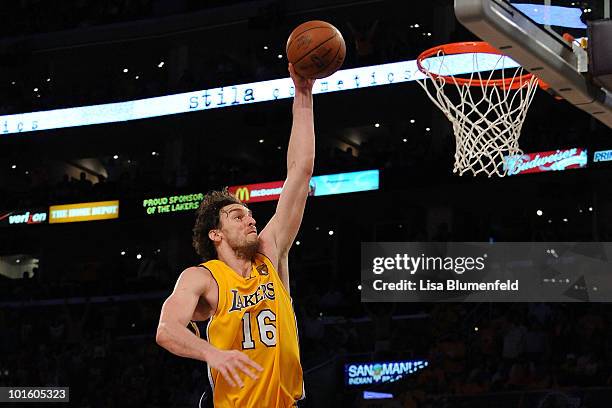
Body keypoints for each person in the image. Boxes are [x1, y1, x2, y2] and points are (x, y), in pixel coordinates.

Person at [156, 63, 315, 407]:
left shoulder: (269, 252)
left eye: (250, 214)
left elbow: (299, 172)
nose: (250, 220)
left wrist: (303, 95)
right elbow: (166, 329)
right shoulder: (204, 278)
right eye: (237, 215)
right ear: (216, 233)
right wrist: (212, 354)